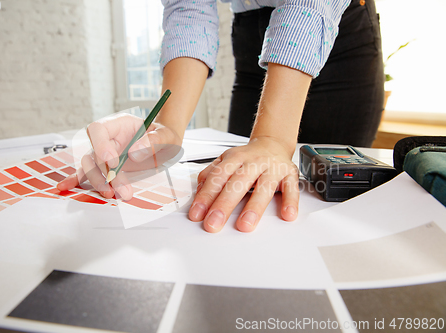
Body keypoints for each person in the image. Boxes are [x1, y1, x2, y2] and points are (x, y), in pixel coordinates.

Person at [58, 0, 384, 233]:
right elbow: (190, 9)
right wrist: (165, 129)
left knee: (329, 213)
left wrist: (271, 139)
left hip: (336, 29)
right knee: (242, 192)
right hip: (250, 33)